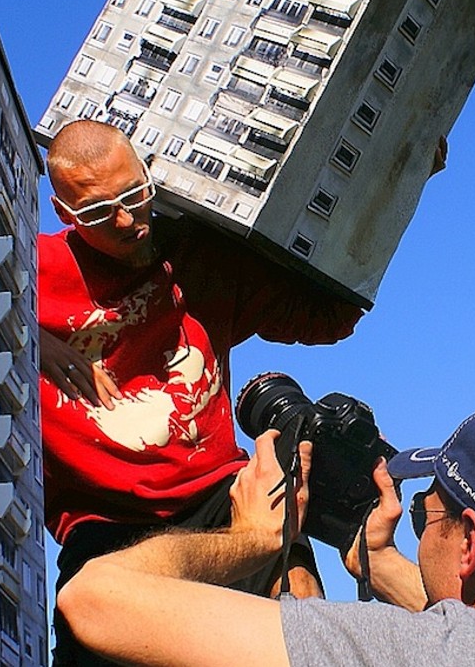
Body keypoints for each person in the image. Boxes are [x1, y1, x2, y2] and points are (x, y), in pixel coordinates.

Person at [38, 120, 366, 663]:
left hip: (219, 493)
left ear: (149, 175)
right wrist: (28, 336)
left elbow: (333, 313)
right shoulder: (31, 271)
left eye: (134, 196)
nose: (127, 222)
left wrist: (393, 178)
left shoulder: (203, 259)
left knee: (302, 611)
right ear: (64, 212)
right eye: (99, 213)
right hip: (105, 524)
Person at [57, 394, 475, 666]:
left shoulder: (410, 653)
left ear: (472, 541)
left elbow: (93, 601)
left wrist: (251, 539)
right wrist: (379, 561)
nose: (419, 527)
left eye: (428, 514)